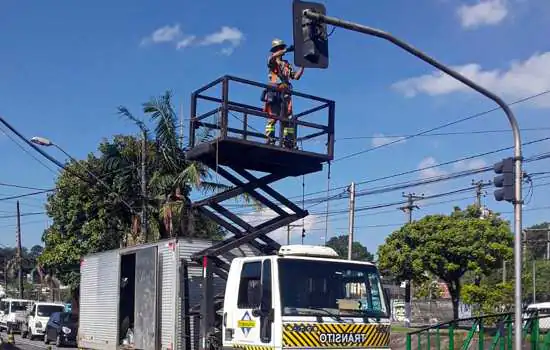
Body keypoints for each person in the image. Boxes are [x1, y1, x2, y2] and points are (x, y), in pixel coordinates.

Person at [263, 38, 304, 149]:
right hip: (274, 92)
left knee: (288, 118)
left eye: (281, 48)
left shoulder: (286, 64)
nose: (280, 51)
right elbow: (273, 58)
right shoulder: (271, 60)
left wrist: (303, 66)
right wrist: (287, 50)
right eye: (278, 49)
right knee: (272, 117)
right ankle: (270, 139)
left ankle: (288, 141)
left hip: (285, 93)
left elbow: (295, 77)